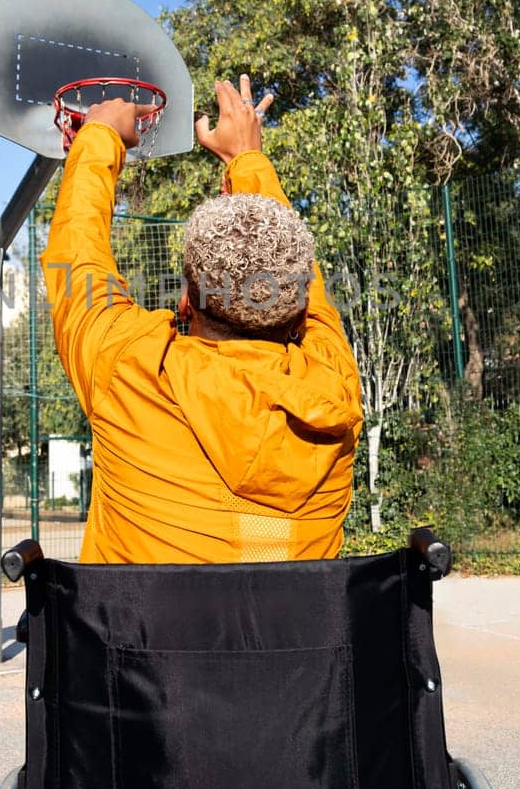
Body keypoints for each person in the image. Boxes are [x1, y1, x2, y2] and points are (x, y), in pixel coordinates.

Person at [42, 74, 363, 563]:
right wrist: (246, 161)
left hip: (136, 642)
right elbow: (305, 283)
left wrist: (99, 136)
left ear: (188, 301)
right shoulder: (333, 386)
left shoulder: (129, 367)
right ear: (298, 308)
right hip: (291, 641)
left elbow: (77, 255)